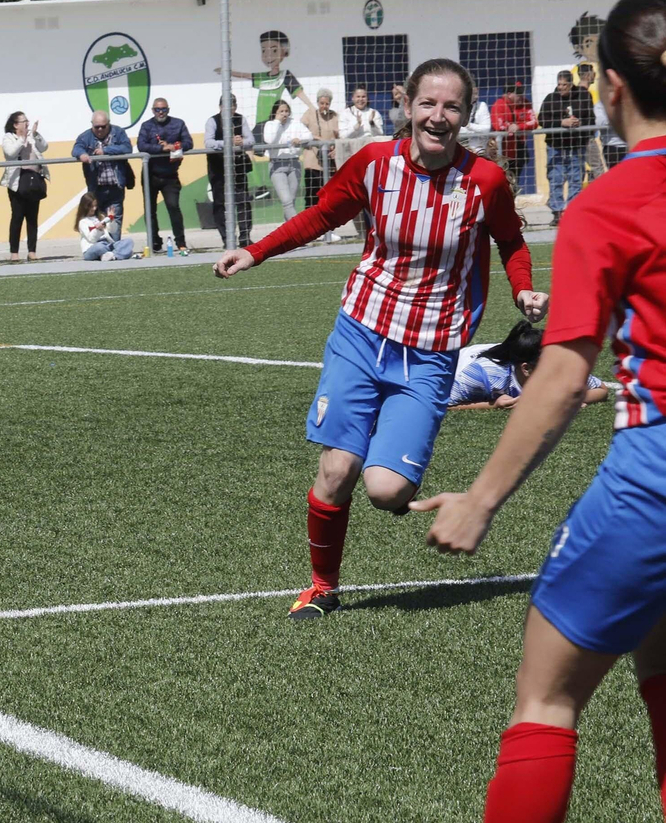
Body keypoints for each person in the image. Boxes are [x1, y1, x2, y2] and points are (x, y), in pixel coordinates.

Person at [412, 0, 666, 822]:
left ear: (609, 89)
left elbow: (560, 379)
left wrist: (479, 500)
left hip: (655, 481)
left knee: (548, 700)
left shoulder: (610, 202)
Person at [213, 57, 546, 621]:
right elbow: (322, 214)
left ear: (466, 114)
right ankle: (322, 586)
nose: (438, 116)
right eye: (428, 104)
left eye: (452, 106)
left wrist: (524, 291)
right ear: (408, 106)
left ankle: (388, 455)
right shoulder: (374, 163)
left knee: (387, 491)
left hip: (432, 350)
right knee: (337, 470)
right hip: (361, 333)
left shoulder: (484, 179)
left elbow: (511, 242)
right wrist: (256, 250)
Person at [448, 321, 608, 410]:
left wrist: (566, 399)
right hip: (456, 364)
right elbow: (446, 404)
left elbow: (601, 390)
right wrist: (492, 404)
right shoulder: (485, 374)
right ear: (526, 369)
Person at [538, 69, 597, 225]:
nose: (561, 88)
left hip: (577, 145)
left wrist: (580, 124)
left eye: (565, 84)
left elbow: (591, 119)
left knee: (576, 179)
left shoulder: (584, 96)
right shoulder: (551, 98)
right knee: (555, 178)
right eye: (559, 84)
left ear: (571, 84)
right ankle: (557, 213)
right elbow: (542, 119)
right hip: (556, 146)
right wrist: (561, 123)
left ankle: (572, 212)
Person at [137, 98, 193, 256]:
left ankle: (181, 243)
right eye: (157, 109)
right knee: (150, 210)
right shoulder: (146, 126)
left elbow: (188, 143)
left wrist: (174, 146)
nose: (160, 112)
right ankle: (154, 242)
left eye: (163, 109)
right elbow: (142, 145)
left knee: (173, 207)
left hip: (170, 175)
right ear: (152, 110)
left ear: (168, 109)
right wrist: (161, 148)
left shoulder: (178, 124)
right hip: (150, 174)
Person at [71, 111, 134, 240]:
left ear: (108, 124)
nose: (100, 129)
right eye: (96, 127)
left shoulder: (118, 133)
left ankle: (115, 248)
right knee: (95, 221)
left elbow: (127, 148)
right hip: (96, 189)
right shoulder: (85, 136)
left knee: (114, 221)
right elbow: (76, 148)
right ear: (92, 125)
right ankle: (100, 249)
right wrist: (82, 154)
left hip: (115, 187)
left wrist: (105, 151)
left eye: (103, 126)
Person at [205, 95, 256, 245]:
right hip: (218, 168)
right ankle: (227, 238)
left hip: (238, 167)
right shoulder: (212, 121)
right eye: (227, 106)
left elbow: (251, 140)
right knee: (220, 203)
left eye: (233, 106)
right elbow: (208, 142)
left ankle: (245, 237)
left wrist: (241, 142)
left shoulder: (241, 119)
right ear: (220, 107)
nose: (231, 109)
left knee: (243, 202)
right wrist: (228, 142)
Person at [0, 111, 49, 262]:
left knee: (32, 218)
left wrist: (35, 134)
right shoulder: (9, 137)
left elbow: (44, 147)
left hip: (34, 180)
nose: (27, 123)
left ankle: (32, 251)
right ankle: (14, 252)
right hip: (18, 182)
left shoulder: (31, 136)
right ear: (15, 125)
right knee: (17, 217)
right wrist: (21, 140)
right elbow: (10, 153)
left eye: (27, 121)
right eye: (24, 121)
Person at [261, 98, 313, 226]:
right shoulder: (270, 125)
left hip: (294, 164)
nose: (284, 114)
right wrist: (278, 122)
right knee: (286, 200)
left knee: (291, 201)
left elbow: (309, 135)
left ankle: (289, 234)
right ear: (275, 113)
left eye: (286, 111)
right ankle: (300, 230)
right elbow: (269, 139)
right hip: (277, 165)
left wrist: (299, 139)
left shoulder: (295, 123)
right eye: (281, 111)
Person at [491, 82, 539, 191]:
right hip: (502, 151)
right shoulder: (499, 105)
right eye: (518, 93)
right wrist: (510, 126)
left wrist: (518, 126)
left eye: (522, 93)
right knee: (500, 180)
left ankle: (512, 203)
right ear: (509, 94)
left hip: (519, 149)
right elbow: (498, 125)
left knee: (514, 181)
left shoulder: (525, 103)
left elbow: (534, 122)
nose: (521, 96)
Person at [301, 88, 340, 218]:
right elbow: (299, 130)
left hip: (329, 161)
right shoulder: (310, 114)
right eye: (322, 103)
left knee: (328, 195)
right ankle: (308, 223)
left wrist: (336, 148)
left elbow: (340, 134)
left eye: (327, 104)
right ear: (318, 102)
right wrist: (314, 137)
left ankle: (326, 226)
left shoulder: (334, 116)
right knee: (312, 194)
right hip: (313, 160)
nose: (324, 106)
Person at [77, 193, 134, 261]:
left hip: (107, 245)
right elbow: (91, 239)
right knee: (100, 247)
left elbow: (113, 230)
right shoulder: (83, 222)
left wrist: (111, 220)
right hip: (92, 248)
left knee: (129, 241)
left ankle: (111, 256)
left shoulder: (100, 216)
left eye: (95, 206)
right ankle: (119, 254)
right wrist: (98, 229)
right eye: (91, 206)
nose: (94, 208)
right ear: (85, 207)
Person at [336, 86, 384, 166]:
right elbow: (343, 136)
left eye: (363, 97)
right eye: (358, 96)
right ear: (353, 98)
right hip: (352, 154)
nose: (361, 99)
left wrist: (372, 123)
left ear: (367, 98)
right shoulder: (345, 113)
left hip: (371, 154)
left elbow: (380, 134)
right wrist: (356, 127)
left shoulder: (374, 112)